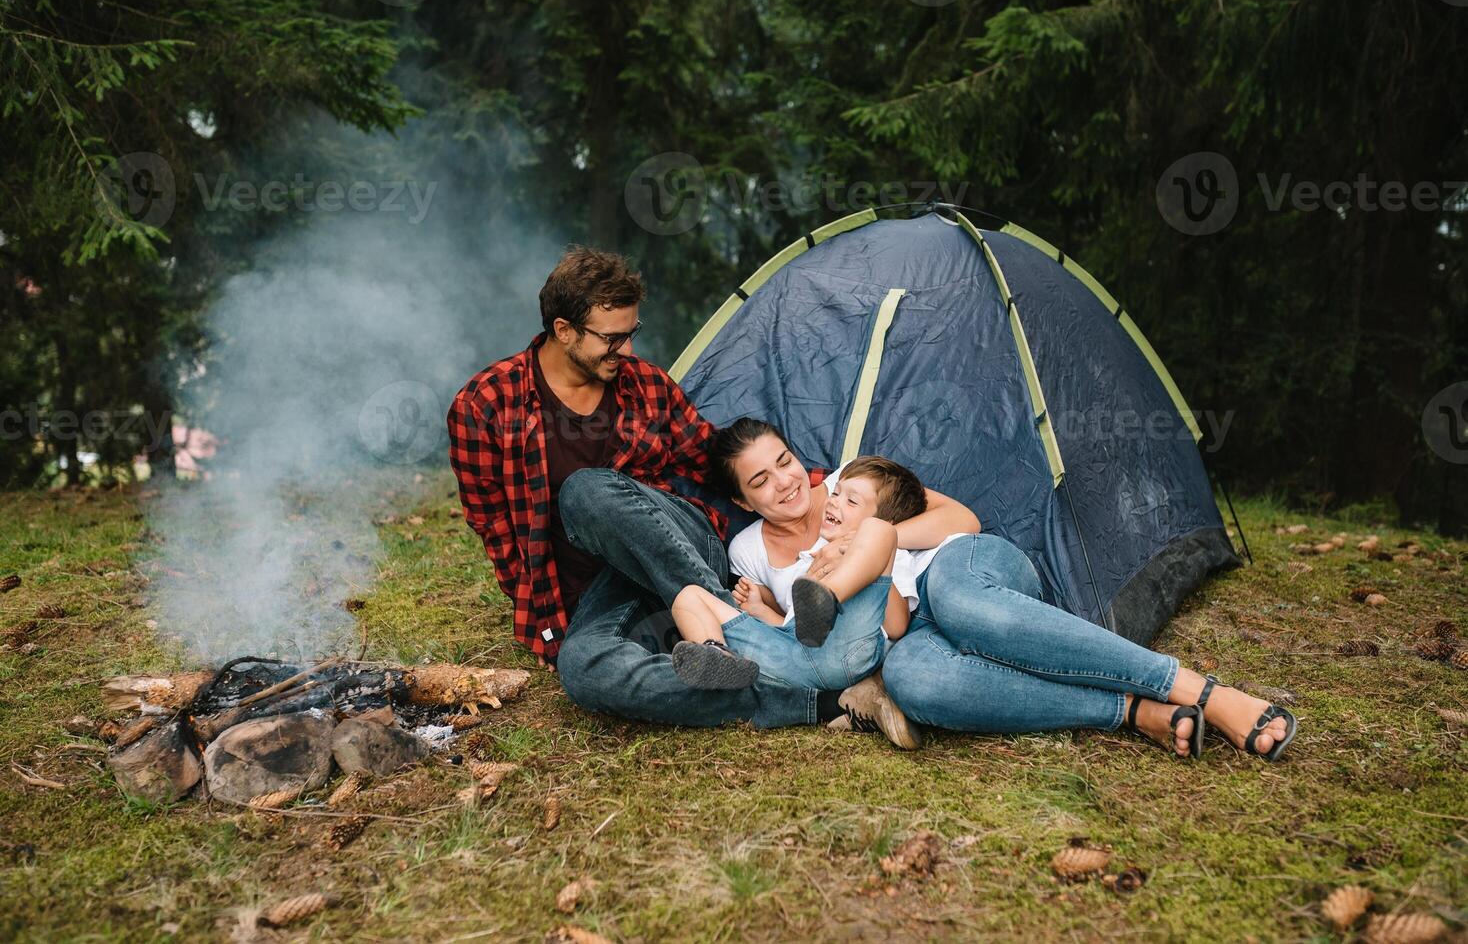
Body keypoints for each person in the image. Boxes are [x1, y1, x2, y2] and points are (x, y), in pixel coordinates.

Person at [447, 247, 912, 739]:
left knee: (585, 492)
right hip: (602, 586)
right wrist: (543, 620)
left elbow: (713, 459)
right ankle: (817, 699)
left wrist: (815, 485)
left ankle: (730, 639)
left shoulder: (644, 385)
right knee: (583, 669)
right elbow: (494, 526)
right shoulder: (485, 406)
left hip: (683, 549)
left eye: (632, 334)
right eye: (612, 338)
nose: (625, 350)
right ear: (564, 330)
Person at [711, 418, 1299, 761]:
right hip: (903, 629)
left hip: (962, 567)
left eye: (784, 461)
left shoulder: (846, 483)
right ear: (741, 501)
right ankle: (1131, 711)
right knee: (918, 684)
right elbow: (813, 633)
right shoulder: (750, 554)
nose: (785, 482)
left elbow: (960, 520)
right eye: (760, 480)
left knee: (962, 603)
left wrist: (876, 536)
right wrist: (765, 611)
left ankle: (1202, 691)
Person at [667, 455, 932, 692]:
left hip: (850, 653)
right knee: (688, 596)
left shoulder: (886, 550)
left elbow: (896, 626)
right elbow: (794, 633)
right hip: (793, 660)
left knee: (881, 534)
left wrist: (868, 570)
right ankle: (719, 658)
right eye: (836, 493)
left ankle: (830, 597)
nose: (833, 502)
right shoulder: (813, 558)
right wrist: (761, 611)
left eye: (851, 501)